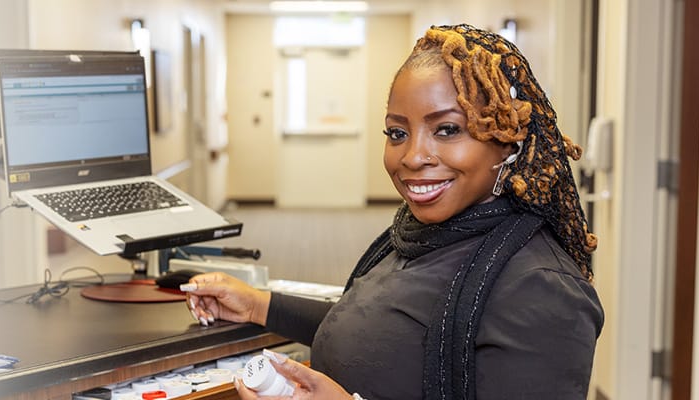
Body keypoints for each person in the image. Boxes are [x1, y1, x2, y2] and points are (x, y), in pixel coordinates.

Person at [181, 24, 604, 400]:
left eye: (448, 129)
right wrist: (259, 306)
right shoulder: (419, 233)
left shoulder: (540, 289)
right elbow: (388, 333)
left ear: (509, 143)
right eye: (398, 132)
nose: (413, 156)